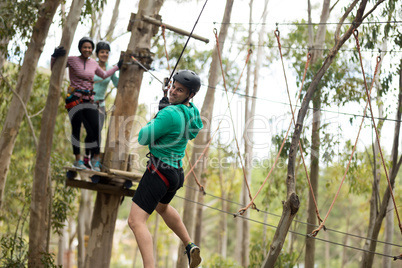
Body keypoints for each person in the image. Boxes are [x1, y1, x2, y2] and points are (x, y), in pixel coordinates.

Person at [128, 70, 203, 268]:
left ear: (190, 94)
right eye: (173, 87)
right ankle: (189, 245)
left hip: (158, 173)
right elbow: (191, 130)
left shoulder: (169, 113)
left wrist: (160, 114)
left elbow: (143, 137)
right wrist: (168, 108)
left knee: (136, 222)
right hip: (176, 174)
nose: (173, 92)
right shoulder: (192, 112)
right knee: (162, 207)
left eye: (180, 90)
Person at [51, 37, 122, 171]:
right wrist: (54, 56)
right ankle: (78, 160)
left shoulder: (93, 64)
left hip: (89, 100)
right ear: (80, 48)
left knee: (95, 128)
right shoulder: (71, 60)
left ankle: (95, 159)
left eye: (89, 48)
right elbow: (55, 69)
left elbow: (104, 75)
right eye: (85, 47)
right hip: (74, 99)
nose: (87, 50)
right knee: (76, 128)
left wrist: (118, 66)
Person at [83, 41, 119, 168]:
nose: (104, 54)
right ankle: (87, 157)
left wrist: (124, 70)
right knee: (91, 132)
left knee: (97, 132)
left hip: (101, 105)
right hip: (88, 103)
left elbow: (117, 84)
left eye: (107, 52)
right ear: (97, 54)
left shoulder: (111, 69)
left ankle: (95, 160)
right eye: (102, 52)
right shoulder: (91, 66)